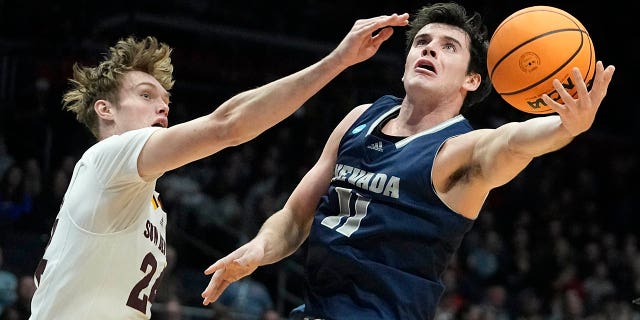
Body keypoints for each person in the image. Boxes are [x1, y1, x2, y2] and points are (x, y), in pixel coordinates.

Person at [200, 2, 615, 319]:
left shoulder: (460, 152)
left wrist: (567, 127)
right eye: (422, 42)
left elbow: (514, 142)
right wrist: (257, 249)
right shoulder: (359, 118)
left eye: (448, 47)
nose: (430, 49)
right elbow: (294, 217)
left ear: (472, 80)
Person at [28, 13, 410, 320]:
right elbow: (228, 125)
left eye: (165, 99)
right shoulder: (106, 158)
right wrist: (337, 61)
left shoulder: (147, 201)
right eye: (146, 95)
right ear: (105, 109)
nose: (163, 106)